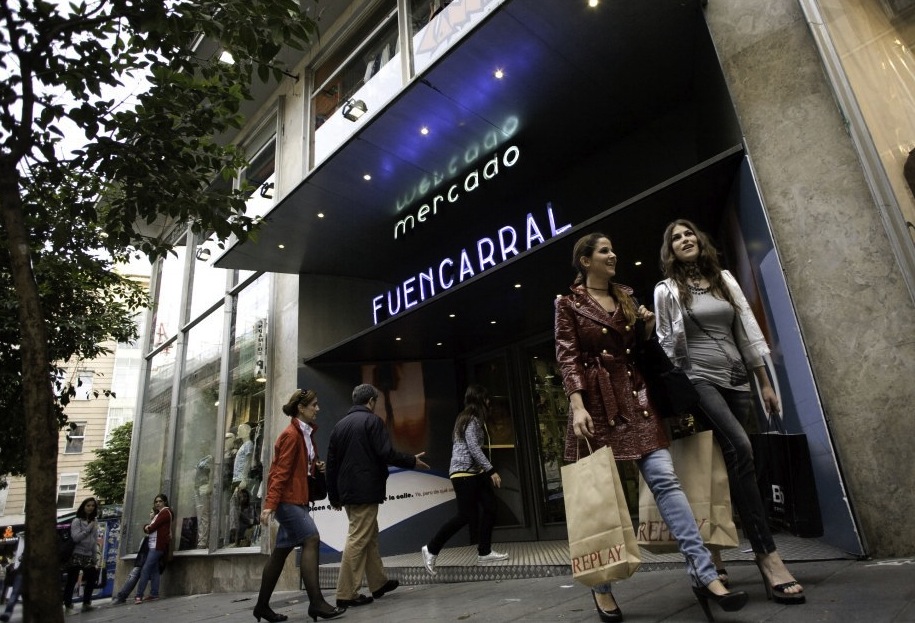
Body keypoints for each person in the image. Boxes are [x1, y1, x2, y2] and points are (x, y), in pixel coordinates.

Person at [555, 232, 749, 623]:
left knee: (666, 480)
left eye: (613, 248)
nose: (613, 255)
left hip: (636, 396)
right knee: (599, 495)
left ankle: (705, 573)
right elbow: (567, 357)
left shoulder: (626, 295)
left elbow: (640, 353)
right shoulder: (568, 304)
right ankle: (602, 587)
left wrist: (644, 329)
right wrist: (577, 406)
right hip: (597, 404)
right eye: (605, 251)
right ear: (585, 261)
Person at [654, 218, 805, 605]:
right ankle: (768, 557)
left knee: (727, 467)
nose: (684, 239)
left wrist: (764, 382)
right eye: (676, 238)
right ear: (671, 250)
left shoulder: (723, 280)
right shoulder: (666, 291)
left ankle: (716, 554)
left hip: (737, 379)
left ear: (699, 240)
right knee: (739, 448)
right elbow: (666, 345)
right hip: (698, 380)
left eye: (689, 233)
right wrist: (671, 401)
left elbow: (747, 330)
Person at [327, 384, 430, 608]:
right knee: (358, 538)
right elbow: (386, 453)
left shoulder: (339, 426)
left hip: (348, 492)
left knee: (369, 535)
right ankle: (346, 593)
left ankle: (378, 583)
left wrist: (334, 496)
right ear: (371, 401)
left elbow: (331, 465)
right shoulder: (372, 421)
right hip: (365, 490)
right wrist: (411, 460)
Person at [254, 389, 345, 623]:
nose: (318, 408)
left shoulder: (306, 433)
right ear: (301, 408)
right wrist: (270, 504)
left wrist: (316, 467)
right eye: (314, 405)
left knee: (280, 552)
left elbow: (299, 468)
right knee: (311, 538)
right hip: (287, 501)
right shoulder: (291, 435)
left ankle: (261, 607)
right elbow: (279, 473)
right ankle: (316, 603)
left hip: (297, 499)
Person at [420, 384, 508, 575]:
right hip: (464, 474)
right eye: (486, 399)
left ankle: (484, 552)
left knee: (490, 507)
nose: (489, 402)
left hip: (473, 472)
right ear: (480, 400)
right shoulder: (471, 419)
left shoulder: (468, 418)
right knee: (465, 516)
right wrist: (491, 470)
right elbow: (474, 448)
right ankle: (431, 548)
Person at [62, 496, 100, 614]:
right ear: (83, 507)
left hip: (88, 554)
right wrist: (88, 529)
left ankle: (86, 603)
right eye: (88, 505)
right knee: (72, 579)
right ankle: (68, 605)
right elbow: (76, 537)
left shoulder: (94, 522)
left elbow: (94, 540)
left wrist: (95, 557)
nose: (90, 508)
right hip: (77, 553)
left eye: (92, 506)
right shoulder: (77, 521)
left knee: (92, 576)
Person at [134, 494, 173, 603]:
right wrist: (148, 526)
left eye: (160, 501)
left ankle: (138, 595)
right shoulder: (159, 514)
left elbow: (152, 528)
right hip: (153, 545)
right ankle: (154, 594)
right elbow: (151, 527)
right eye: (156, 502)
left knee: (145, 569)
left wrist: (147, 527)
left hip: (157, 546)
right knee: (155, 570)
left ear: (165, 502)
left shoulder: (165, 512)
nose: (158, 503)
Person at [111, 535, 150, 605]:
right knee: (134, 574)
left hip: (151, 551)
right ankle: (124, 596)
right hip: (148, 552)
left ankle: (124, 596)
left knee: (135, 574)